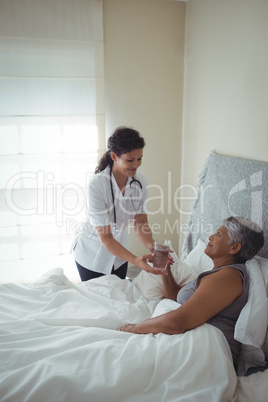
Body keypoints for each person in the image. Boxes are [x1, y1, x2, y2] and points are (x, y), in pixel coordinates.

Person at [118, 216, 264, 369]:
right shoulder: (216, 274)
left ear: (234, 248)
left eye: (219, 234)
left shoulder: (228, 277)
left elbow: (179, 322)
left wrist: (134, 328)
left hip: (208, 351)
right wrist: (165, 270)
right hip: (192, 341)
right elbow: (178, 299)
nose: (210, 237)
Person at [73, 126, 168, 281]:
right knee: (97, 302)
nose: (136, 165)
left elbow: (140, 222)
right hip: (92, 256)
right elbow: (106, 237)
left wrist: (152, 246)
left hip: (120, 257)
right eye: (130, 160)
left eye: (140, 158)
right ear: (114, 156)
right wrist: (136, 260)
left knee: (119, 300)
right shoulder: (97, 185)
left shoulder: (140, 182)